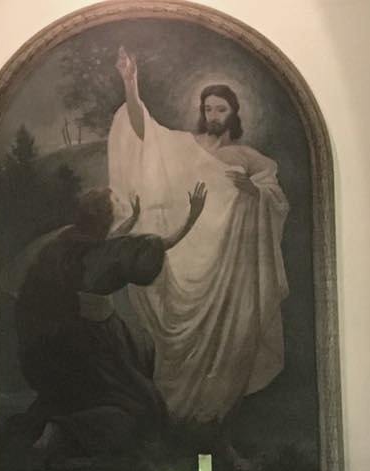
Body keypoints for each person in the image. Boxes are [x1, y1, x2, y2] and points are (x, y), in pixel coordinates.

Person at [109, 47, 290, 430]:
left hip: (227, 270)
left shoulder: (248, 156)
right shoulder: (186, 146)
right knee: (177, 346)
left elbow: (275, 199)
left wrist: (255, 192)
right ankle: (174, 427)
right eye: (208, 109)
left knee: (228, 342)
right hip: (186, 260)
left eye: (221, 109)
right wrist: (130, 83)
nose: (213, 116)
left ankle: (213, 428)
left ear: (234, 113)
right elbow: (145, 134)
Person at [7, 183, 206, 460]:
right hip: (93, 339)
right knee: (142, 404)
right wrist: (192, 218)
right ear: (104, 216)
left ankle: (58, 429)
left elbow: (110, 243)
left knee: (86, 394)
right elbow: (157, 244)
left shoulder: (68, 240)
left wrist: (132, 218)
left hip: (60, 338)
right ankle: (66, 431)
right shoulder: (103, 252)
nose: (120, 205)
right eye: (116, 204)